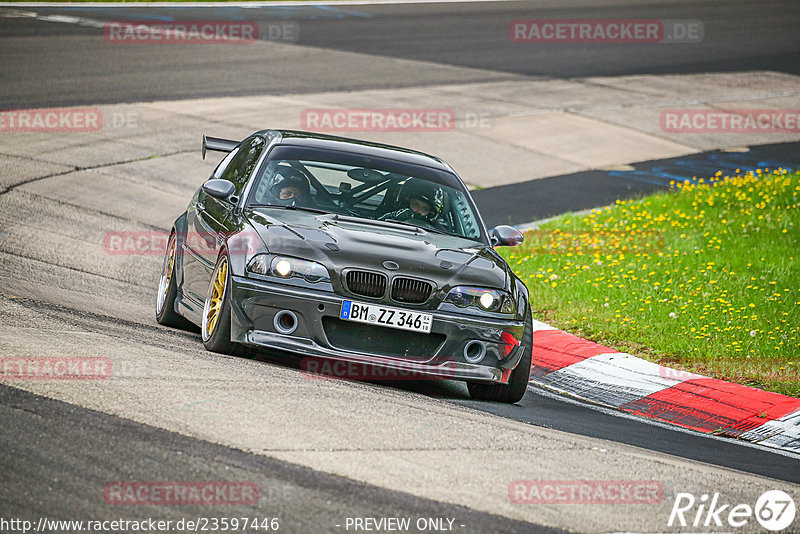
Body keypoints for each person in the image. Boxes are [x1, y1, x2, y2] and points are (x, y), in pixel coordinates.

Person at [379, 178, 444, 228]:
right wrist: (393, 217)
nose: (419, 211)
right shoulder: (388, 217)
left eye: (425, 209)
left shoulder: (438, 231)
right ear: (406, 202)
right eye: (416, 204)